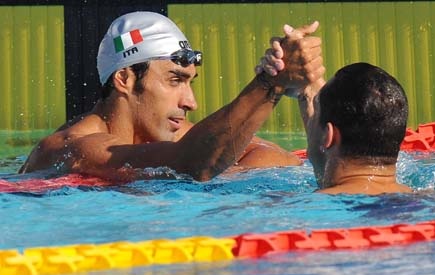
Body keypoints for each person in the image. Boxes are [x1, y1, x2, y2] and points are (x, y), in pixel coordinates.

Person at [19, 12, 324, 182]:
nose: (191, 102)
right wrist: (271, 85)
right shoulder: (73, 149)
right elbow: (193, 163)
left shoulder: (169, 137)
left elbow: (286, 162)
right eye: (175, 80)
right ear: (124, 79)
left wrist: (306, 90)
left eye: (189, 83)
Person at [258, 27, 411, 195]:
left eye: (315, 113)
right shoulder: (428, 200)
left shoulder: (295, 210)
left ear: (328, 136)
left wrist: (265, 82)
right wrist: (307, 87)